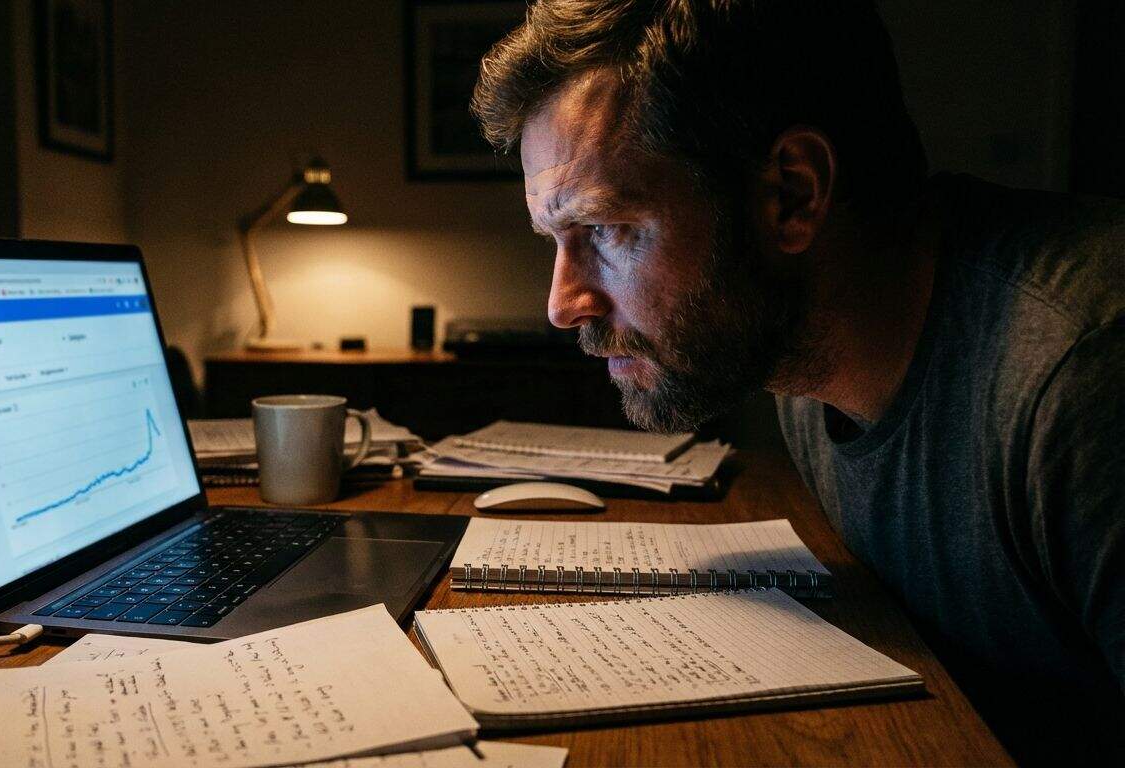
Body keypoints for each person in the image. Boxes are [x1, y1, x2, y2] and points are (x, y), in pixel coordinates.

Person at [471, 0, 1123, 762]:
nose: (561, 304)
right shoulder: (802, 373)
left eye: (607, 230)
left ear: (793, 195)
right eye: (555, 241)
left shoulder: (1086, 378)